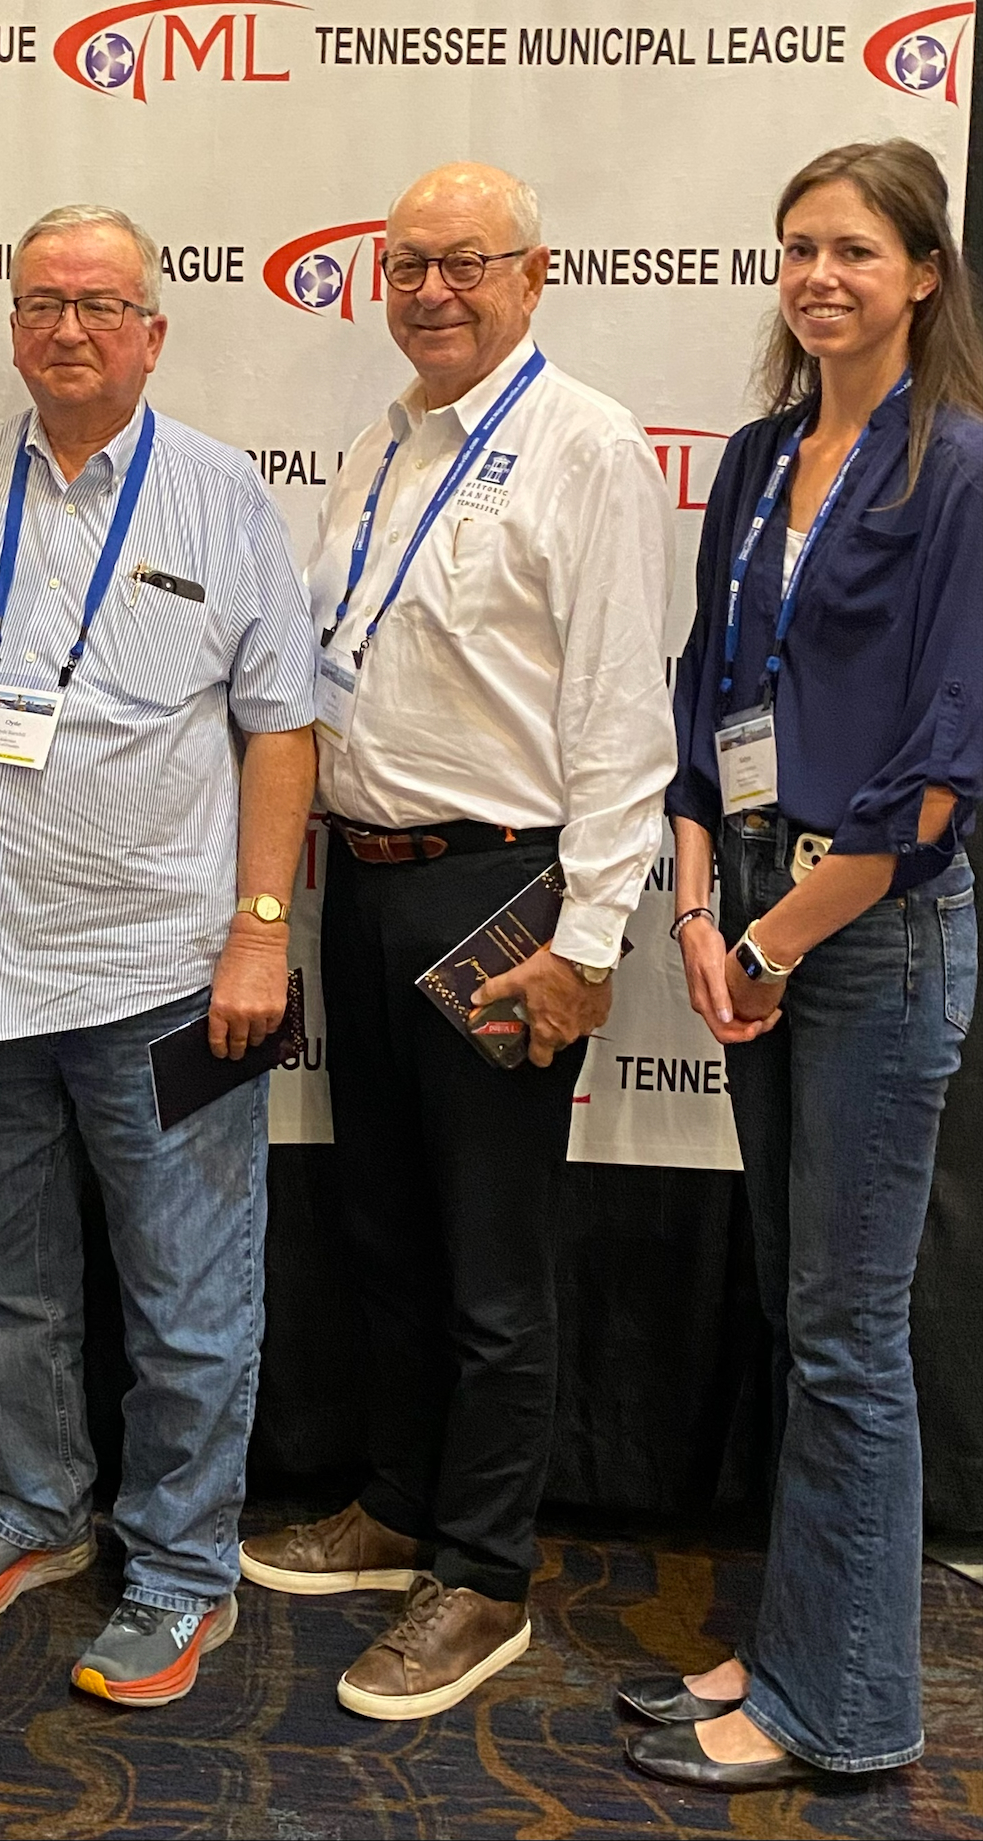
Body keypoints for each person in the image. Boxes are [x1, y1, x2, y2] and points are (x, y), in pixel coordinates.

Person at [240, 164, 676, 1719]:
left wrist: (588, 937)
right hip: (366, 879)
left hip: (504, 892)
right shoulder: (377, 442)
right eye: (406, 265)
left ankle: (481, 1575)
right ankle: (398, 1503)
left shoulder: (590, 445)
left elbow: (626, 713)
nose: (432, 290)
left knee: (493, 1264)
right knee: (385, 1230)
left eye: (464, 264)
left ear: (531, 276)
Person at [0, 203, 318, 1708]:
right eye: (41, 302)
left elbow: (280, 723)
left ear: (152, 331)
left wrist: (259, 931)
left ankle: (183, 1570)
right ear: (10, 325)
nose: (66, 328)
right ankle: (35, 1510)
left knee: (188, 1295)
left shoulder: (218, 495)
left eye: (99, 304)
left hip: (164, 980)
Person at [623, 140, 983, 1790]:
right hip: (752, 920)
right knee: (800, 1314)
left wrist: (766, 935)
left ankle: (841, 1706)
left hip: (866, 934)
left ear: (920, 272)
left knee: (846, 1335)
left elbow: (931, 779)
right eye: (794, 249)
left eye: (852, 248)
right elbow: (705, 701)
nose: (817, 275)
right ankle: (796, 1640)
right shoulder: (763, 457)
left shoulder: (958, 470)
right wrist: (700, 913)